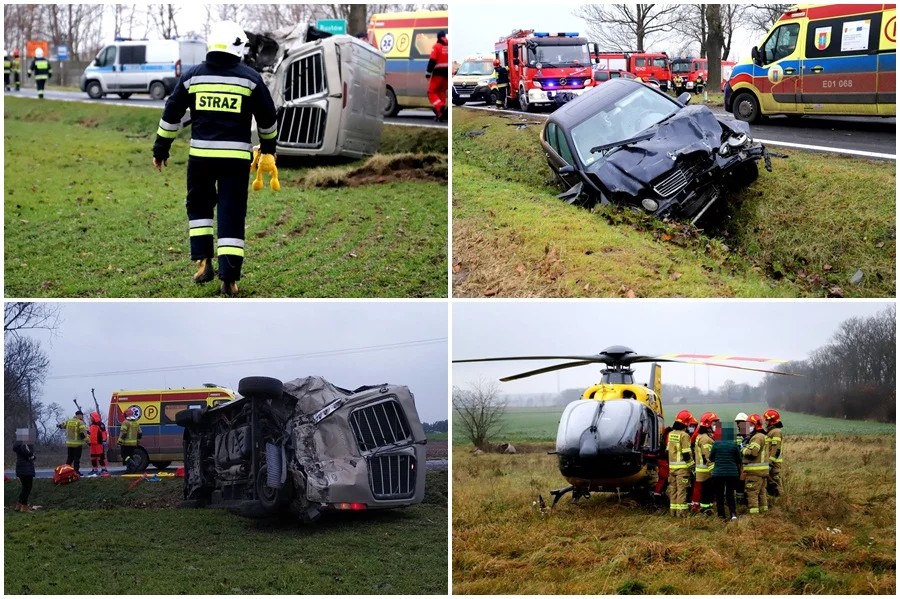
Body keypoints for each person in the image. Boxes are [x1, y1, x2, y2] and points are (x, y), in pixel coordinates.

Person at [152, 20, 279, 296]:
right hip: (235, 162)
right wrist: (269, 148)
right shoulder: (250, 78)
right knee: (231, 214)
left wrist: (161, 148)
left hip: (201, 160)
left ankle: (203, 263)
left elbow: (171, 113)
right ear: (237, 47)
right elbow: (268, 117)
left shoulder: (192, 76)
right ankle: (229, 280)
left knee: (199, 210)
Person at [709, 422, 742, 520]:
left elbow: (711, 458)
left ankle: (721, 516)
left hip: (718, 473)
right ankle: (733, 514)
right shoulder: (733, 444)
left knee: (719, 494)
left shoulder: (716, 444)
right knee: (730, 494)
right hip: (732, 474)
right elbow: (739, 460)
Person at [666, 410, 694, 517]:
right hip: (682, 469)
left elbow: (667, 451)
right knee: (682, 491)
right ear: (685, 423)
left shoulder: (671, 434)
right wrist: (692, 466)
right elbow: (686, 454)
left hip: (672, 468)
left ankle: (673, 513)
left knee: (673, 490)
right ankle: (682, 514)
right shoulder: (684, 435)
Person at [741, 414, 769, 514]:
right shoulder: (762, 436)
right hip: (762, 471)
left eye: (750, 425)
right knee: (762, 493)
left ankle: (754, 516)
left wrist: (743, 449)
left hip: (754, 472)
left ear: (755, 425)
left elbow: (752, 453)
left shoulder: (757, 437)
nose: (748, 427)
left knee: (752, 492)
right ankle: (764, 513)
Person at [694, 412, 718, 515]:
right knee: (707, 493)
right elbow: (708, 457)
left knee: (707, 492)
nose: (715, 425)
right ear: (708, 424)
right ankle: (705, 511)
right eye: (714, 423)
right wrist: (714, 472)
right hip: (706, 472)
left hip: (703, 470)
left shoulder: (701, 436)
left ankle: (707, 510)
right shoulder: (706, 439)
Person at [425, 30, 448, 121]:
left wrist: (428, 73)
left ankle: (441, 107)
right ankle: (440, 115)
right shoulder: (448, 47)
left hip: (438, 73)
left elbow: (432, 61)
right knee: (441, 92)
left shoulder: (436, 47)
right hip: (446, 75)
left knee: (431, 92)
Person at [12, 428, 37, 513]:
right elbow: (28, 454)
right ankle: (24, 506)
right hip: (26, 468)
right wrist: (32, 456)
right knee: (27, 487)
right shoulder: (24, 444)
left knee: (24, 487)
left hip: (20, 467)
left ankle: (19, 504)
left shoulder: (17, 445)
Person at [58, 410, 88, 475]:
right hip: (77, 444)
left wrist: (58, 425)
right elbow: (82, 434)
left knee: (69, 458)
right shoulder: (80, 422)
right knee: (76, 459)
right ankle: (76, 472)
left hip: (69, 444)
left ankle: (66, 472)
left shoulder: (69, 421)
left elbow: (61, 425)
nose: (83, 417)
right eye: (82, 416)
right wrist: (88, 441)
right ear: (79, 415)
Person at [764, 409, 784, 500]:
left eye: (766, 420)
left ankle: (781, 502)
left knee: (777, 482)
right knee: (771, 482)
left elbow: (776, 449)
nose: (765, 422)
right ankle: (774, 499)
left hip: (774, 463)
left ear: (771, 420)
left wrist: (771, 462)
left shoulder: (776, 432)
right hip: (770, 462)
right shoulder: (771, 431)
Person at [119, 408, 143, 472]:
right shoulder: (136, 423)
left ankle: (132, 463)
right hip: (134, 443)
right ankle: (130, 470)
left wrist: (119, 441)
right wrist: (137, 441)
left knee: (124, 455)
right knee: (130, 455)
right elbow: (140, 433)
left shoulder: (125, 422)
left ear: (126, 414)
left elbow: (123, 433)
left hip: (125, 443)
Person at [87, 411, 109, 476]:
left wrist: (104, 440)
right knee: (93, 458)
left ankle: (104, 469)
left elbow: (103, 433)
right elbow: (90, 434)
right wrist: (88, 440)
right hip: (92, 444)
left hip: (99, 443)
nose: (91, 418)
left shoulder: (100, 424)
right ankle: (95, 469)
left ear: (94, 417)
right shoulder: (91, 425)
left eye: (91, 417)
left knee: (101, 457)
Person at [733, 411, 748, 502]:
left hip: (747, 462)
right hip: (738, 463)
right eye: (737, 423)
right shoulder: (738, 436)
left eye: (740, 422)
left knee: (746, 483)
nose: (738, 425)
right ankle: (739, 500)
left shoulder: (750, 436)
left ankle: (745, 500)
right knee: (739, 482)